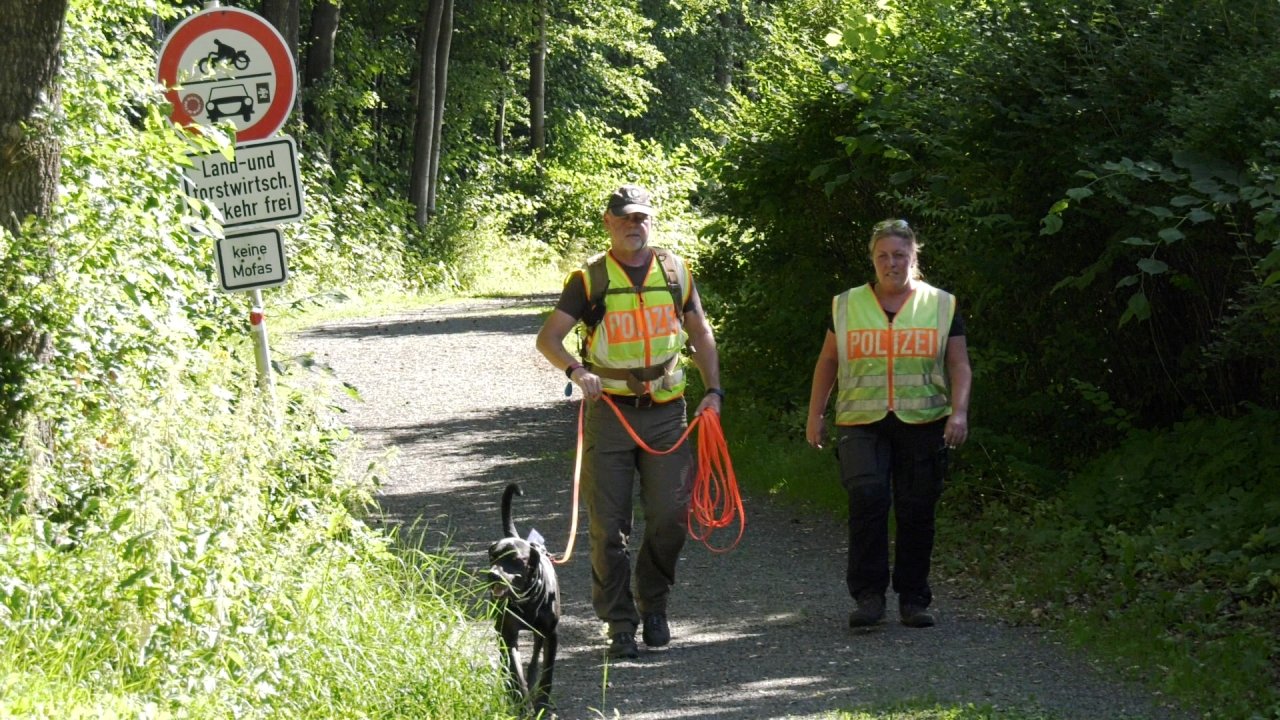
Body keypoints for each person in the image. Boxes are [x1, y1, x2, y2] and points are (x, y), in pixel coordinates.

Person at [536, 184, 723, 659]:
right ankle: (619, 623)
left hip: (668, 411)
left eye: (640, 218)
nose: (633, 226)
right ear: (608, 222)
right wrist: (577, 372)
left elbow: (700, 331)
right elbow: (549, 339)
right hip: (612, 413)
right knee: (608, 527)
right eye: (624, 218)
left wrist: (714, 392)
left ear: (650, 222)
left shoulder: (676, 271)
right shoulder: (589, 279)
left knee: (670, 518)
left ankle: (653, 604)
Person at [805, 218, 972, 629]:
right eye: (883, 256)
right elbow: (828, 361)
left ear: (914, 257)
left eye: (900, 255)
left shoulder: (940, 304)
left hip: (924, 418)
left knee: (917, 508)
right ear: (873, 260)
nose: (891, 263)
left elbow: (959, 363)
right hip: (861, 419)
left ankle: (913, 598)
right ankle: (869, 596)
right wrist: (816, 414)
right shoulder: (846, 304)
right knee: (867, 497)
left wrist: (960, 411)